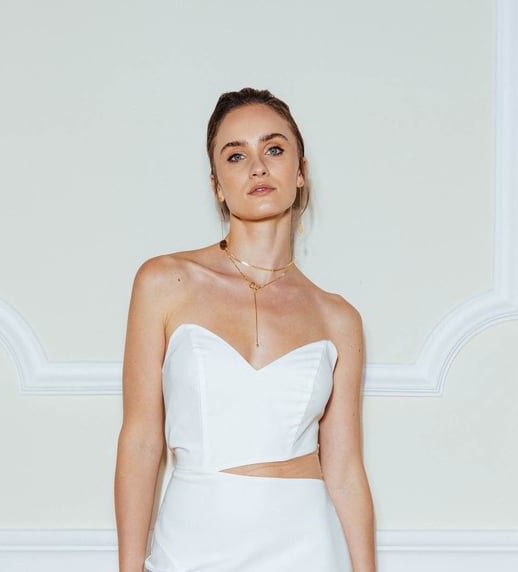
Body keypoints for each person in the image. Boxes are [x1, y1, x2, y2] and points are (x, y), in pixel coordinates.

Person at [115, 88, 376, 571]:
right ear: (217, 184)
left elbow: (344, 471)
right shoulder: (164, 282)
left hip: (308, 546)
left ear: (300, 171)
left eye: (273, 149)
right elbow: (141, 440)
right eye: (236, 156)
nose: (257, 167)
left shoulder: (338, 317)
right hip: (193, 541)